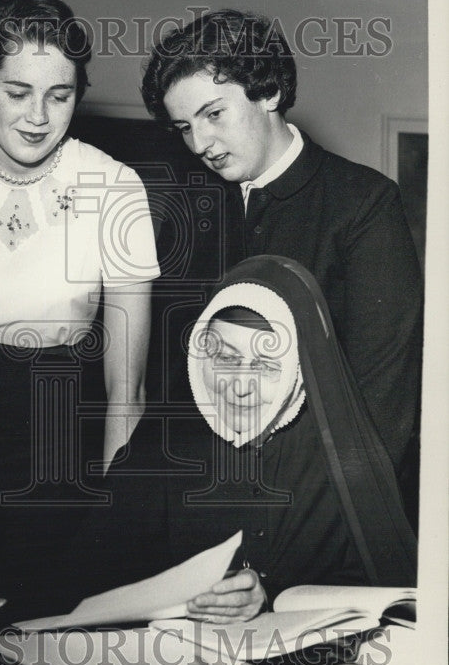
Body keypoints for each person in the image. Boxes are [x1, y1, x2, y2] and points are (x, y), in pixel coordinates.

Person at [0, 0, 159, 613]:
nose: (39, 117)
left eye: (60, 94)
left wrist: (113, 509)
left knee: (52, 614)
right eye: (17, 92)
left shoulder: (116, 185)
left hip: (64, 417)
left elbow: (126, 387)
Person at [140, 9, 422, 475]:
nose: (199, 144)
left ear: (269, 91)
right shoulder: (190, 210)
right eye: (185, 127)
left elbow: (381, 404)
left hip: (314, 496)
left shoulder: (363, 203)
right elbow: (173, 381)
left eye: (213, 114)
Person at [63, 256, 417, 621]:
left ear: (299, 367)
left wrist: (270, 593)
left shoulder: (341, 460)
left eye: (265, 364)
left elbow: (383, 592)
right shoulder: (162, 447)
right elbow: (84, 582)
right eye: (226, 358)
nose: (239, 386)